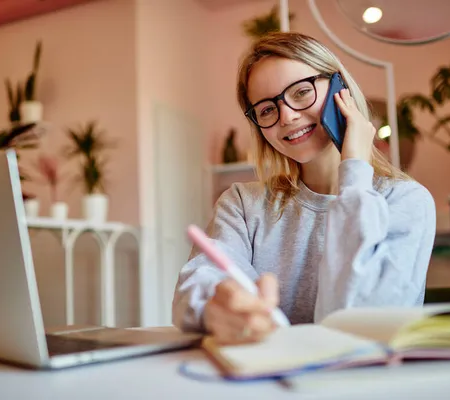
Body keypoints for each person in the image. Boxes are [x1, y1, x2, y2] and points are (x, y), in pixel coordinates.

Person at [172, 32, 436, 345]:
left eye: (301, 92)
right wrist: (217, 307)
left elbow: (357, 320)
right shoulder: (242, 204)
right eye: (267, 109)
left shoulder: (406, 201)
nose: (287, 116)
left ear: (341, 89)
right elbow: (195, 288)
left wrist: (354, 172)